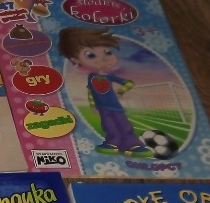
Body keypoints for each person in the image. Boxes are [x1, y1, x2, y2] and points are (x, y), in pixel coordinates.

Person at [57, 27, 152, 157]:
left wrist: (121, 91)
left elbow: (129, 83)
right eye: (90, 55)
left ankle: (133, 144)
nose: (104, 59)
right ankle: (113, 143)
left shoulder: (109, 77)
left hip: (115, 106)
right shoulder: (92, 77)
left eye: (107, 52)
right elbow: (91, 92)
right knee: (109, 126)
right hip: (102, 108)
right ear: (75, 60)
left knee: (123, 124)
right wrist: (93, 106)